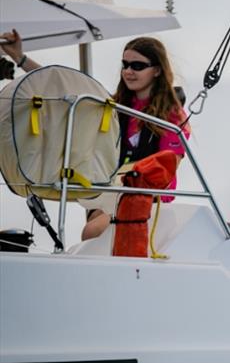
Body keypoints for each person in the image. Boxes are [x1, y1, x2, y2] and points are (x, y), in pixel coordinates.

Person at [1, 30, 190, 240]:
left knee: (93, 232)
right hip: (109, 194)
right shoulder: (114, 106)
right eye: (125, 65)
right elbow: (60, 89)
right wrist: (20, 58)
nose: (128, 71)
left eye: (137, 66)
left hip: (150, 199)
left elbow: (167, 167)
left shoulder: (173, 116)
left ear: (157, 70)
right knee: (92, 232)